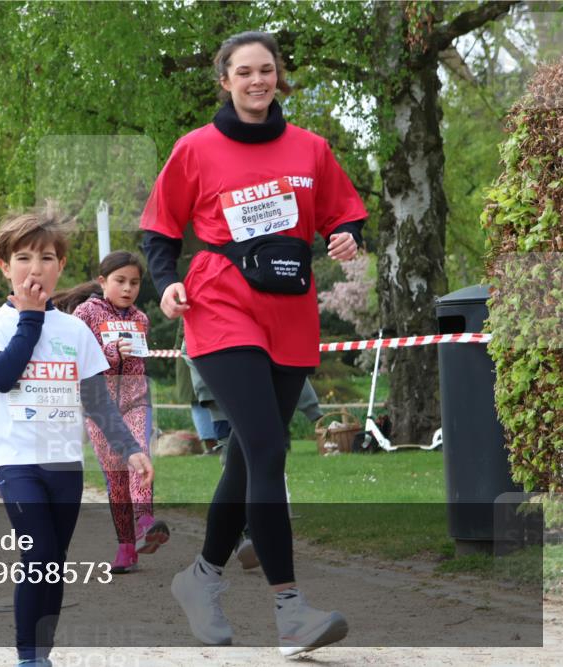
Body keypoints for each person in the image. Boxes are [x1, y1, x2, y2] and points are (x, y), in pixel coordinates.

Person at [141, 32, 365, 656]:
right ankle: (290, 610)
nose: (257, 80)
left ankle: (202, 579)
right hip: (219, 304)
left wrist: (347, 238)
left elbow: (342, 215)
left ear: (279, 77)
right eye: (245, 72)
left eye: (267, 70)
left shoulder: (311, 148)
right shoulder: (195, 149)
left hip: (290, 311)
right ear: (226, 80)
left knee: (247, 455)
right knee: (267, 447)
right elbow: (160, 231)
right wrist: (167, 285)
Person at [0, 203, 154, 667]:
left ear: (62, 266)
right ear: (4, 266)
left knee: (53, 564)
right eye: (25, 258)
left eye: (47, 258)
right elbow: (4, 376)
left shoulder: (74, 330)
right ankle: (28, 659)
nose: (36, 268)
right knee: (38, 557)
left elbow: (96, 399)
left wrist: (131, 449)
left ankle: (42, 655)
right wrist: (30, 318)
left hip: (63, 465)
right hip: (14, 462)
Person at [64, 251, 169, 574]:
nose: (128, 289)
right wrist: (110, 352)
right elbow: (78, 358)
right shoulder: (86, 313)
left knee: (138, 452)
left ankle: (145, 520)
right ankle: (127, 548)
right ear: (102, 282)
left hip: (136, 399)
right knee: (116, 480)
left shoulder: (141, 318)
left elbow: (137, 361)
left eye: (134, 283)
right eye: (120, 281)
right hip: (100, 406)